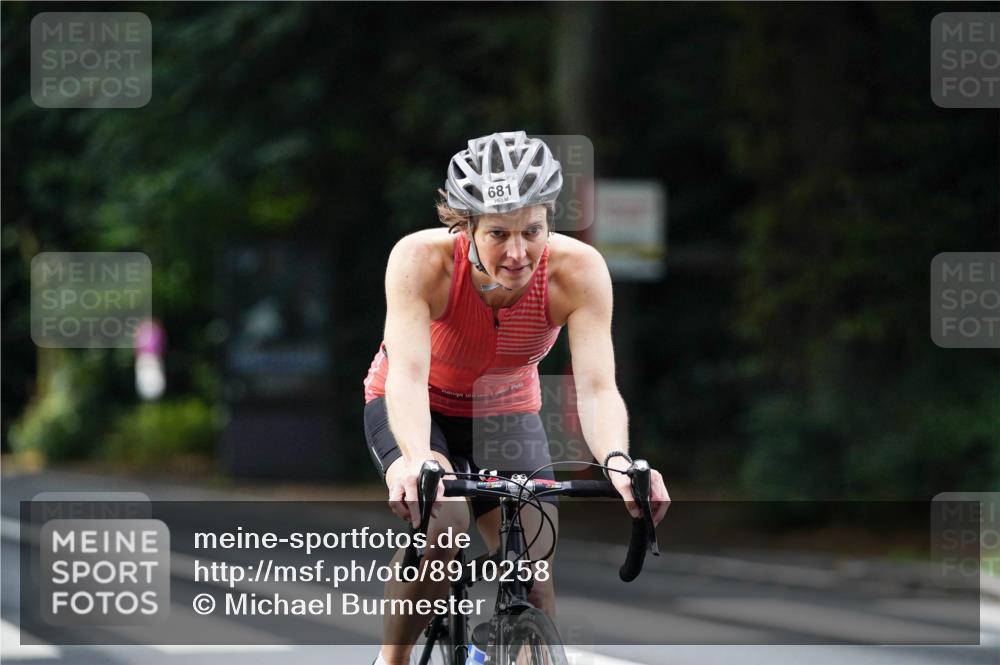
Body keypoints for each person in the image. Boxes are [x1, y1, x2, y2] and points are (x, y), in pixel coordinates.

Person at [363, 131, 670, 665]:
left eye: (533, 230)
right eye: (498, 233)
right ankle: (392, 661)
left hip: (504, 411)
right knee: (444, 527)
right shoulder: (421, 260)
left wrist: (618, 461)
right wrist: (415, 460)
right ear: (465, 228)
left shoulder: (578, 271)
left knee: (534, 570)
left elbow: (597, 386)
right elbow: (407, 377)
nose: (518, 252)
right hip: (418, 406)